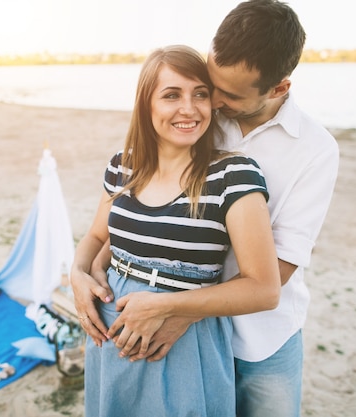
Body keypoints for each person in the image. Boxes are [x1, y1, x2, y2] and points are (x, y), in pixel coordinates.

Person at [72, 1, 340, 416]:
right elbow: (145, 208)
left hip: (258, 335)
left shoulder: (314, 150)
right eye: (208, 83)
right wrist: (88, 268)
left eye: (225, 94)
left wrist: (180, 309)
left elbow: (282, 262)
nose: (210, 101)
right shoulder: (197, 117)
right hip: (159, 318)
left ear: (278, 89)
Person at [69, 44, 281, 417]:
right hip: (110, 336)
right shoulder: (123, 165)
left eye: (200, 94)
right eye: (171, 95)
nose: (189, 108)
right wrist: (76, 273)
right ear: (146, 105)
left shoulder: (232, 174)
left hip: (181, 343)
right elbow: (97, 237)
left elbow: (263, 289)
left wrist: (165, 306)